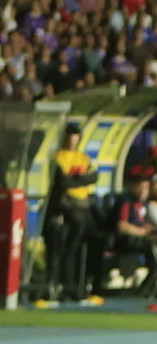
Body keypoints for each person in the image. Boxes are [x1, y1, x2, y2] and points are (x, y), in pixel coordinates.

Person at [42, 125, 97, 301]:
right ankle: (55, 286)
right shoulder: (58, 157)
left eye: (75, 136)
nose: (72, 139)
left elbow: (94, 176)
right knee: (58, 249)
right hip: (62, 208)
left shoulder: (83, 157)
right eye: (70, 135)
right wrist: (82, 179)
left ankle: (72, 286)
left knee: (75, 249)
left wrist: (76, 179)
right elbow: (62, 182)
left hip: (81, 208)